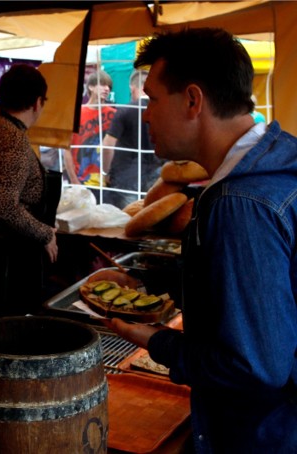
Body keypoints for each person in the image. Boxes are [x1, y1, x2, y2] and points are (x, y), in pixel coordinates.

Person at [100, 28, 297, 453]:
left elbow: (256, 368)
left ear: (193, 100)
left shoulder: (242, 203)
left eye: (152, 98)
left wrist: (155, 340)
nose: (145, 114)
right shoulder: (276, 170)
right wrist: (165, 284)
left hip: (259, 437)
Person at [0, 64, 59, 320]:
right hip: (7, 258)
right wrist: (45, 234)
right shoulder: (12, 140)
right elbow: (5, 206)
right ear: (38, 102)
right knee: (8, 331)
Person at [102, 69, 165, 208]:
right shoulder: (164, 112)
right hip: (156, 177)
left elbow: (107, 145)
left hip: (125, 179)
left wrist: (105, 172)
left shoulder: (125, 111)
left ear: (133, 87)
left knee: (126, 223)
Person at [64, 69, 116, 188]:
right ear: (91, 87)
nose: (107, 89)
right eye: (102, 84)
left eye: (109, 86)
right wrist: (73, 179)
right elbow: (66, 149)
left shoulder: (115, 114)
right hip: (81, 179)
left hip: (107, 181)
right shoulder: (76, 113)